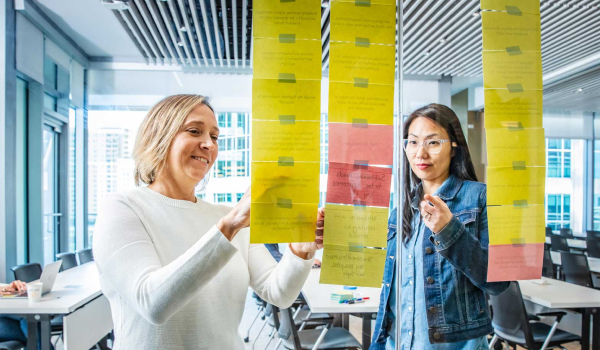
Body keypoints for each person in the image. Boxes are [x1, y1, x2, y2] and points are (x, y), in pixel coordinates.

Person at [92, 94, 324, 349]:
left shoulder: (226, 216)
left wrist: (301, 249)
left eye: (214, 137)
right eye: (194, 131)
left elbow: (279, 293)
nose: (209, 145)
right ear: (159, 136)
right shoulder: (122, 208)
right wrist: (230, 224)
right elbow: (153, 304)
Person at [371, 104, 510, 349]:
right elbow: (393, 291)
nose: (420, 154)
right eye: (413, 142)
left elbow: (498, 283)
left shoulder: (480, 199)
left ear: (454, 148)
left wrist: (450, 232)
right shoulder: (400, 212)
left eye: (433, 143)